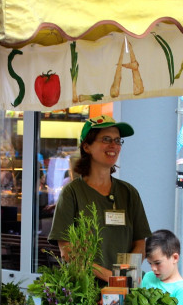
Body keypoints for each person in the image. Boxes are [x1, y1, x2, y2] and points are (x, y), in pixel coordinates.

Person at [49, 115, 151, 283]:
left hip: (122, 290)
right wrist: (109, 277)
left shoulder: (129, 193)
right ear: (87, 146)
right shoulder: (72, 193)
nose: (114, 146)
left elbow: (140, 243)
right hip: (83, 293)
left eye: (118, 141)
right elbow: (67, 250)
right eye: (106, 139)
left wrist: (123, 278)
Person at [141, 229, 183, 305]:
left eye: (157, 263)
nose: (153, 268)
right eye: (150, 263)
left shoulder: (182, 291)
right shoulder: (148, 277)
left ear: (175, 258)